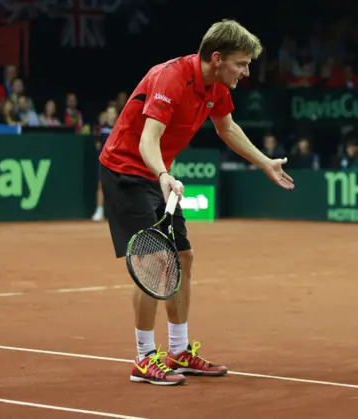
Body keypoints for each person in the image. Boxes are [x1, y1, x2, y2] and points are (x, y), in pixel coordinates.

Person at [99, 19, 294, 386]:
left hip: (158, 174)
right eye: (241, 63)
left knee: (183, 259)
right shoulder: (172, 78)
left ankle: (179, 350)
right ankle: (143, 358)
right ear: (216, 58)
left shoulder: (217, 86)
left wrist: (264, 162)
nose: (246, 71)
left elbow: (227, 128)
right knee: (153, 261)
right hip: (126, 170)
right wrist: (162, 176)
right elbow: (147, 140)